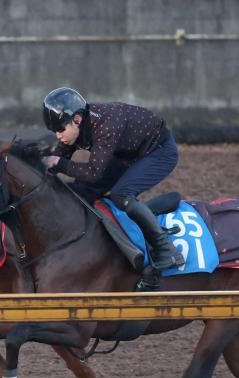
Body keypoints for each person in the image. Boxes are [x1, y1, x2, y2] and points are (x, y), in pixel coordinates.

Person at [39, 87, 185, 271]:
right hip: (129, 154)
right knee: (81, 190)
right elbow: (55, 160)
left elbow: (93, 172)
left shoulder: (105, 125)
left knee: (121, 194)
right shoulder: (75, 127)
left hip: (159, 151)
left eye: (60, 129)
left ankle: (167, 251)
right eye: (54, 131)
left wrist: (58, 163)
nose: (58, 136)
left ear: (77, 119)